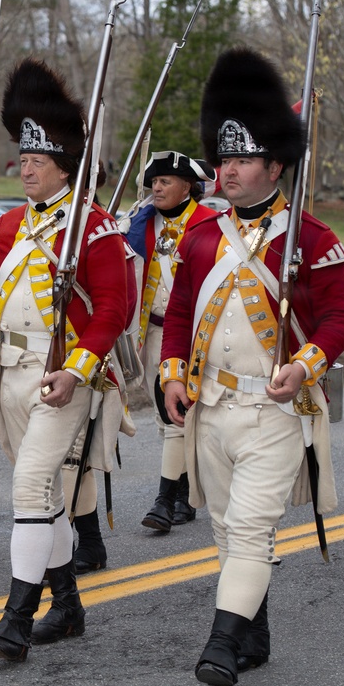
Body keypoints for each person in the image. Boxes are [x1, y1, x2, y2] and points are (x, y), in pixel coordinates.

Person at [160, 48, 344, 686]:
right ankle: (253, 631)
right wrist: (170, 375)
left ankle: (219, 645)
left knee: (247, 527)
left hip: (277, 405)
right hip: (211, 406)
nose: (230, 169)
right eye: (226, 157)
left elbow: (335, 322)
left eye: (244, 159)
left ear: (276, 166)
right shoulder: (201, 236)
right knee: (224, 528)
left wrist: (305, 366)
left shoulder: (313, 238)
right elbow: (181, 314)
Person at [0, 58, 128, 662]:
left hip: (64, 379)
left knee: (27, 487)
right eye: (21, 159)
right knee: (44, 498)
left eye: (36, 161)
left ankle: (16, 618)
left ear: (63, 167)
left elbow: (112, 312)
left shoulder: (93, 228)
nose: (24, 168)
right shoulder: (12, 225)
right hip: (10, 377)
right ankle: (68, 605)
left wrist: (77, 369)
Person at [119, 150, 217, 533]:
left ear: (187, 188)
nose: (156, 188)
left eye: (165, 182)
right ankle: (186, 491)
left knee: (175, 415)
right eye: (154, 182)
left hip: (195, 335)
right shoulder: (141, 223)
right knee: (169, 418)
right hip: (152, 331)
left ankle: (164, 500)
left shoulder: (211, 225)